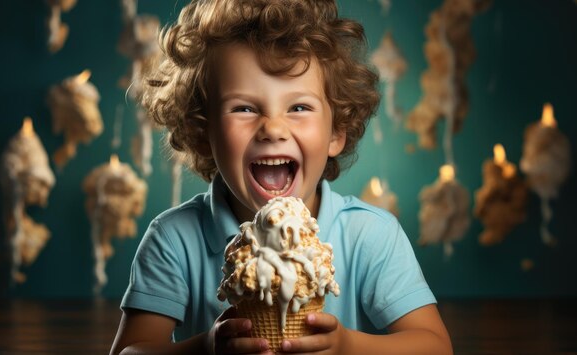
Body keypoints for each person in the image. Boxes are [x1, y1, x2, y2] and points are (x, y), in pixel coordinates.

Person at [110, 0, 452, 354]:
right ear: (202, 132)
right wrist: (206, 348)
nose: (273, 128)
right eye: (244, 108)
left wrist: (349, 346)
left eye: (299, 107)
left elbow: (435, 346)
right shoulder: (174, 239)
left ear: (337, 132)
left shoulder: (371, 236)